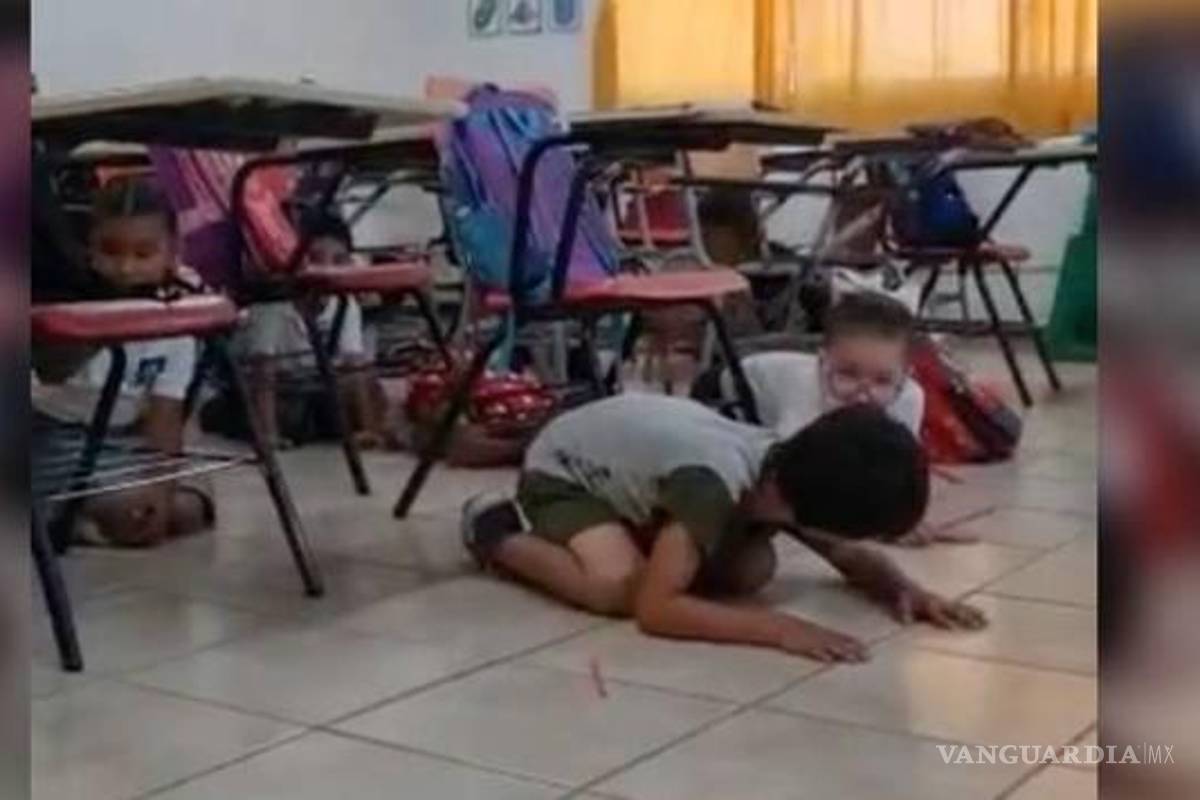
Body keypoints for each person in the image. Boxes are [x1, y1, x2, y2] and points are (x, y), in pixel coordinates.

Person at [462, 395, 986, 662]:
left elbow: (848, 556)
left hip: (641, 471)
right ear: (804, 507)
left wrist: (908, 592)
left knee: (751, 569)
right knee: (621, 590)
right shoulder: (715, 483)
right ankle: (494, 532)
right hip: (566, 469)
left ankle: (648, 533)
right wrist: (783, 632)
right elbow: (656, 611)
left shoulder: (790, 471)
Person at [692, 291, 973, 547]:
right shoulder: (805, 389)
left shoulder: (911, 397)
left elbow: (893, 469)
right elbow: (796, 481)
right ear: (822, 362)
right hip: (725, 396)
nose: (863, 395)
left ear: (905, 376)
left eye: (883, 380)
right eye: (848, 374)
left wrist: (902, 520)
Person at [32, 177, 214, 547]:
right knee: (127, 511)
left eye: (144, 254)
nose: (126, 268)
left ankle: (76, 518)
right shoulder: (70, 303)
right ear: (88, 249)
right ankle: (69, 517)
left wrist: (160, 497)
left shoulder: (175, 322)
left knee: (189, 510)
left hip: (124, 441)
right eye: (111, 252)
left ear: (172, 252)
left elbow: (165, 417)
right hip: (54, 435)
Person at [237, 211, 390, 449]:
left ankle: (326, 425)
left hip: (314, 383)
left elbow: (354, 363)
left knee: (371, 387)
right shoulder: (273, 306)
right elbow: (262, 372)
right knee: (281, 414)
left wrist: (367, 428)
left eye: (338, 261)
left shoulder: (345, 302)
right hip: (276, 388)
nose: (326, 269)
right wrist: (269, 435)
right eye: (315, 258)